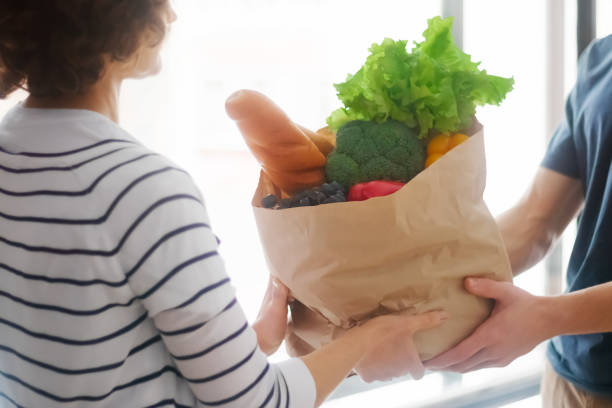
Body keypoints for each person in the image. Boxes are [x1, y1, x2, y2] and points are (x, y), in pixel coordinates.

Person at [0, 1, 447, 407]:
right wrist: (368, 339)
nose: (170, 15)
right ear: (114, 19)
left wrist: (250, 345)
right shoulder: (141, 188)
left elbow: (88, 358)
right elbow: (254, 404)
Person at [424, 34, 612, 407]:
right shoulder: (602, 60)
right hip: (570, 378)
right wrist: (424, 279)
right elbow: (535, 222)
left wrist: (545, 317)